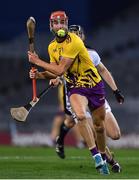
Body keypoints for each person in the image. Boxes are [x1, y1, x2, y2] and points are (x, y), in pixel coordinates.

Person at [27, 10, 123, 175]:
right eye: (55, 23)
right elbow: (56, 72)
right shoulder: (52, 47)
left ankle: (104, 155)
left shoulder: (75, 42)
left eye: (62, 22)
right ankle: (97, 158)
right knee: (79, 116)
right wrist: (39, 74)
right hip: (75, 88)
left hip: (94, 86)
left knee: (100, 128)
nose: (59, 26)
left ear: (66, 24)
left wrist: (37, 61)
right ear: (51, 26)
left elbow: (60, 68)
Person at [53, 24, 124, 173]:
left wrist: (116, 91)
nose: (75, 37)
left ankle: (62, 140)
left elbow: (103, 70)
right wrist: (54, 78)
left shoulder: (91, 53)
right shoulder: (63, 55)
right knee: (87, 126)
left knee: (115, 134)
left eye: (78, 35)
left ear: (82, 37)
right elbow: (57, 72)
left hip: (95, 93)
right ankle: (107, 160)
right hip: (77, 95)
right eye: (72, 35)